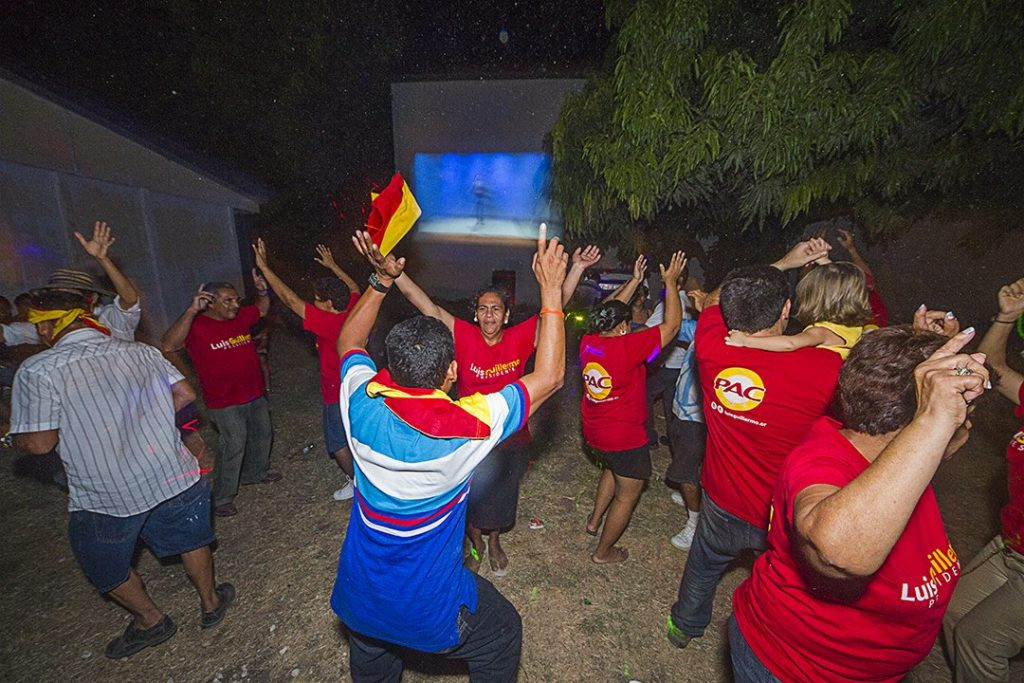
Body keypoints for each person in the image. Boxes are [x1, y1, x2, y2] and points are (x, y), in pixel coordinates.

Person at [332, 225, 566, 682]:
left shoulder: (360, 403)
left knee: (375, 659)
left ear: (391, 366)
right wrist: (553, 291)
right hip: (426, 609)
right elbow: (551, 377)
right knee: (504, 632)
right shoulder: (466, 428)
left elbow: (349, 344)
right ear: (452, 371)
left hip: (358, 597)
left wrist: (379, 282)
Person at [730, 325, 986, 682]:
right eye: (961, 413)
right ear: (915, 421)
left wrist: (910, 350)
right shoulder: (821, 459)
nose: (966, 424)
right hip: (797, 668)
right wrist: (932, 420)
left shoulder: (898, 459)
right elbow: (837, 551)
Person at [9, 288, 233, 659]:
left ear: (47, 327)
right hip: (170, 472)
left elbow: (39, 443)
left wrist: (12, 437)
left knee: (101, 562)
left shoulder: (39, 370)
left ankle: (150, 620)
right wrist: (149, 420)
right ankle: (211, 603)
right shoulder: (141, 352)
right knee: (191, 539)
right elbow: (184, 394)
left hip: (107, 492)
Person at [667, 238, 842, 649]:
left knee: (703, 565)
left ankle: (683, 626)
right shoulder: (825, 367)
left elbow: (715, 298)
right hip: (783, 511)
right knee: (787, 585)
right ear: (786, 310)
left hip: (722, 499)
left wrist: (783, 260)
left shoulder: (711, 347)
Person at [390, 242, 599, 575]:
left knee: (503, 493)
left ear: (506, 315)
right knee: (472, 495)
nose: (489, 315)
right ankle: (476, 542)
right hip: (471, 435)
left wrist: (576, 268)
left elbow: (554, 306)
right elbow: (425, 304)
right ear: (476, 314)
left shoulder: (520, 336)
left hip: (512, 435)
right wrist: (395, 275)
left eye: (496, 309)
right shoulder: (462, 334)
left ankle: (496, 539)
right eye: (483, 309)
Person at [580, 251, 686, 564]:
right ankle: (603, 552)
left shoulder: (589, 342)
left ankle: (594, 521)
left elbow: (606, 310)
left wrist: (635, 280)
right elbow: (672, 326)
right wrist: (670, 284)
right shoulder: (628, 346)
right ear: (625, 327)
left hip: (595, 433)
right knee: (627, 495)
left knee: (613, 470)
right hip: (624, 438)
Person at [943, 275, 1024, 682]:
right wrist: (1008, 318)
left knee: (980, 641)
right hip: (1011, 546)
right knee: (951, 611)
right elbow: (993, 368)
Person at [160, 271, 279, 518]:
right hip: (224, 400)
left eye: (236, 300)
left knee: (262, 434)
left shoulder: (239, 317)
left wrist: (262, 291)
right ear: (210, 302)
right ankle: (222, 497)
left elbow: (261, 310)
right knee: (234, 444)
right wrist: (191, 311)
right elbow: (168, 345)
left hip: (253, 392)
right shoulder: (197, 326)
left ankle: (255, 473)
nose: (235, 305)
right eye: (228, 301)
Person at [252, 238, 361, 501]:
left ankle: (358, 484)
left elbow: (290, 300)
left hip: (336, 392)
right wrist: (333, 265)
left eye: (318, 300)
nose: (314, 303)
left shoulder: (329, 323)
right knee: (356, 435)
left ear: (329, 304)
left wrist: (264, 268)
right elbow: (353, 287)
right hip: (357, 386)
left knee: (337, 444)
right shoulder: (354, 309)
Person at [1, 221, 142, 346]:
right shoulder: (48, 322)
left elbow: (130, 300)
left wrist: (103, 259)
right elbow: (10, 333)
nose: (64, 299)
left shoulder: (108, 318)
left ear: (92, 299)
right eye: (58, 294)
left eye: (71, 294)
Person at [726, 260, 873, 359]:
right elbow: (843, 285)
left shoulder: (821, 332)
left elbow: (790, 344)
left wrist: (746, 341)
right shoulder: (854, 327)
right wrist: (823, 260)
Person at [666, 288, 707, 550]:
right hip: (683, 411)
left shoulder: (730, 338)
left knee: (686, 471)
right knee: (688, 462)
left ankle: (694, 524)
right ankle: (690, 494)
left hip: (697, 418)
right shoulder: (701, 329)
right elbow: (673, 326)